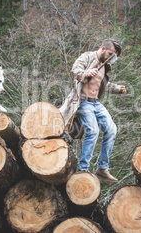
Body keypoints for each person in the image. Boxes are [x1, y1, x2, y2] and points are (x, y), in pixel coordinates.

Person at [59, 39, 126, 182]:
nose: (110, 58)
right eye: (110, 54)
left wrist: (117, 89)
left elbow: (102, 85)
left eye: (113, 56)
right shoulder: (87, 57)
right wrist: (86, 73)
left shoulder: (104, 66)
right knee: (93, 131)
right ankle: (83, 169)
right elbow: (75, 70)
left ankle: (102, 168)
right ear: (103, 49)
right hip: (82, 102)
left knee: (112, 129)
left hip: (96, 103)